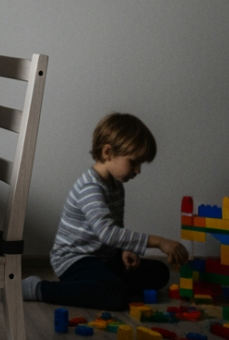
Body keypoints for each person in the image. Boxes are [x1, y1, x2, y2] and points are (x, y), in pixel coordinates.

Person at [22, 113, 189, 310]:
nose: (138, 170)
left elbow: (116, 228)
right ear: (108, 152)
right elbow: (107, 233)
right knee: (115, 295)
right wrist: (159, 242)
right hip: (74, 259)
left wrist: (124, 250)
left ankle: (99, 286)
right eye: (134, 162)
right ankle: (40, 289)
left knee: (160, 272)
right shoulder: (90, 188)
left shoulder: (117, 186)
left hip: (104, 257)